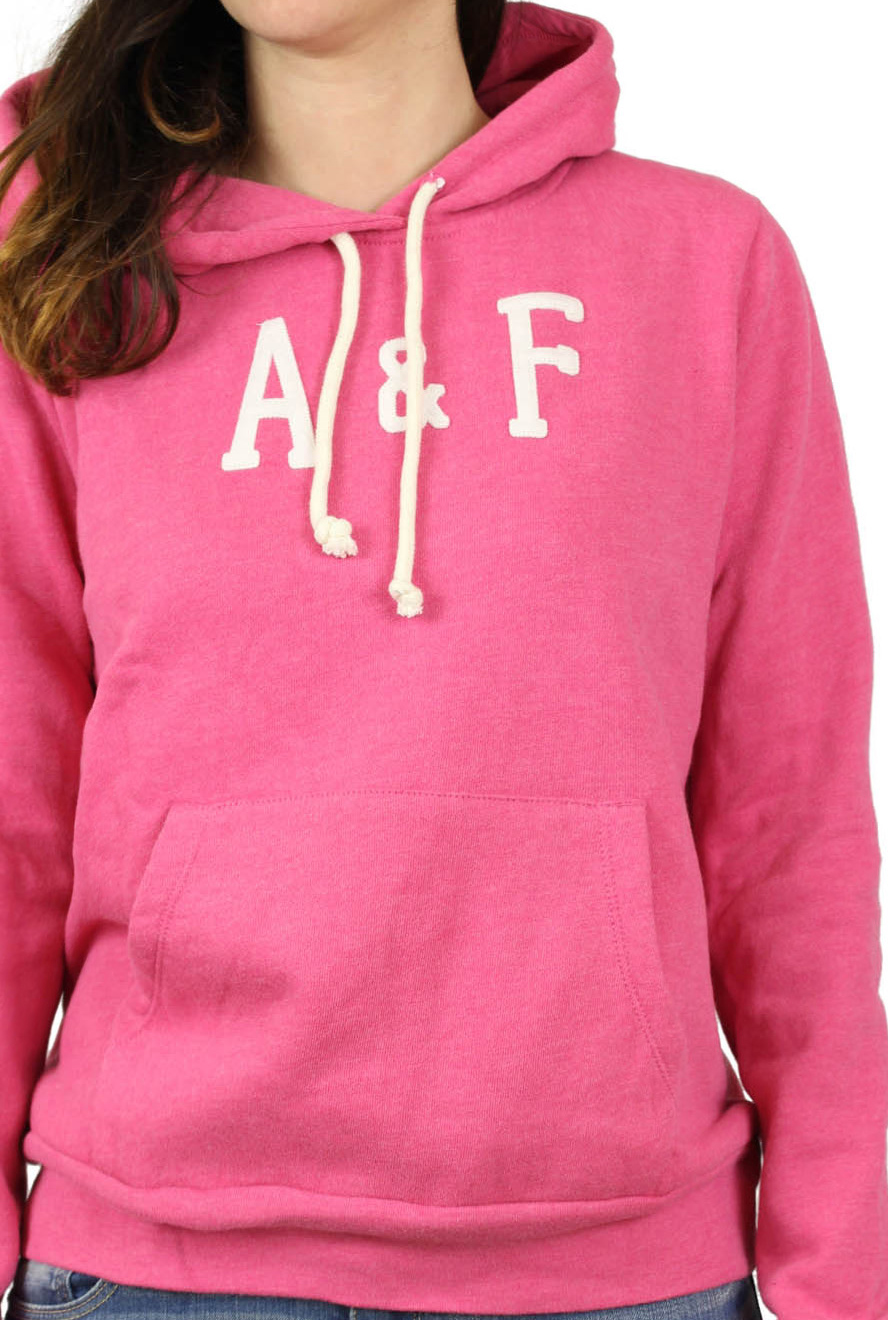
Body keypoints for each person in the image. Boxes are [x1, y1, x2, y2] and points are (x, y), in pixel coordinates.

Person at [0, 0, 885, 1318]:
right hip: (153, 1265)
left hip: (619, 1271)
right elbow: (10, 800)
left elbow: (789, 823)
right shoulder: (73, 274)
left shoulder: (704, 266)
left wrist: (844, 1278)